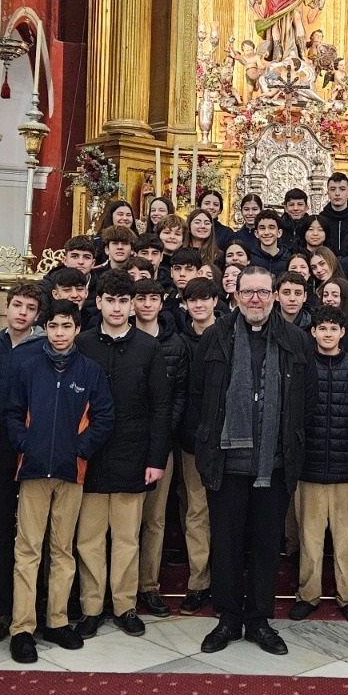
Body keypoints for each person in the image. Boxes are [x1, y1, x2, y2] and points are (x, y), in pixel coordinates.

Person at [189, 265, 315, 655]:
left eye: (262, 292)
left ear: (275, 295)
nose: (255, 299)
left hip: (274, 464)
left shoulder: (296, 340)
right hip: (225, 465)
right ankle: (228, 618)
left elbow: (306, 400)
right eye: (248, 292)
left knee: (265, 546)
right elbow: (198, 396)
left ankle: (259, 619)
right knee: (226, 545)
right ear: (236, 295)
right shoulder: (215, 337)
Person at [1, 300, 114, 663]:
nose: (60, 333)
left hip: (71, 471)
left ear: (77, 329)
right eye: (53, 326)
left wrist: (80, 449)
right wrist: (25, 443)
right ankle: (22, 628)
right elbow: (12, 413)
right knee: (28, 550)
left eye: (67, 326)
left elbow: (104, 417)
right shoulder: (28, 366)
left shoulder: (90, 370)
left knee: (62, 551)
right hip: (33, 471)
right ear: (45, 328)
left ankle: (57, 621)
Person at [73, 274, 170, 637]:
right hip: (91, 455)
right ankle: (92, 607)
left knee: (128, 538)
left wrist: (156, 459)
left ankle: (125, 605)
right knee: (89, 539)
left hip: (134, 452)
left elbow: (161, 406)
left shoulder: (148, 347)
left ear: (132, 306)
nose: (116, 308)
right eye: (110, 300)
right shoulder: (82, 344)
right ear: (98, 302)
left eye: (123, 301)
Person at [291, 306, 348, 623]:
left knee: (345, 539)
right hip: (309, 468)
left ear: (342, 333)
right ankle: (307, 595)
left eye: (333, 329)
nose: (327, 334)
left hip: (345, 469)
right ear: (313, 332)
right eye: (322, 328)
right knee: (309, 538)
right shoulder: (302, 366)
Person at [0, 282, 45, 645]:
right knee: (1, 527)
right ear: (6, 306)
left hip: (34, 449)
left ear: (38, 314)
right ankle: (4, 608)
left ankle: (36, 609)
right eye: (17, 305)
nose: (22, 312)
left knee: (36, 533)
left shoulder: (44, 348)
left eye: (30, 308)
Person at [131, 278, 190, 619]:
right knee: (125, 521)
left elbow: (180, 393)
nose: (147, 304)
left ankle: (148, 585)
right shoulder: (123, 336)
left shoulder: (175, 344)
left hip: (161, 441)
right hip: (125, 442)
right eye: (141, 298)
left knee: (154, 519)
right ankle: (121, 587)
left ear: (162, 302)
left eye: (153, 298)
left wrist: (164, 430)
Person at [172, 277, 220, 610]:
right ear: (185, 304)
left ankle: (225, 581)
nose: (199, 305)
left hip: (228, 439)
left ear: (216, 301)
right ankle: (199, 582)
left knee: (228, 513)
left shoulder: (231, 335)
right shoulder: (180, 342)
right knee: (197, 511)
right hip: (192, 439)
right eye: (193, 300)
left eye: (205, 299)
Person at [317, 171, 348, 252]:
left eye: (342, 189)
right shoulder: (321, 219)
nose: (337, 193)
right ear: (328, 193)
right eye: (333, 189)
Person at [250, 209, 289, 274]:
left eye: (271, 228)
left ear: (279, 233)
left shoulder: (288, 259)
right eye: (262, 228)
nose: (267, 232)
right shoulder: (250, 259)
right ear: (256, 233)